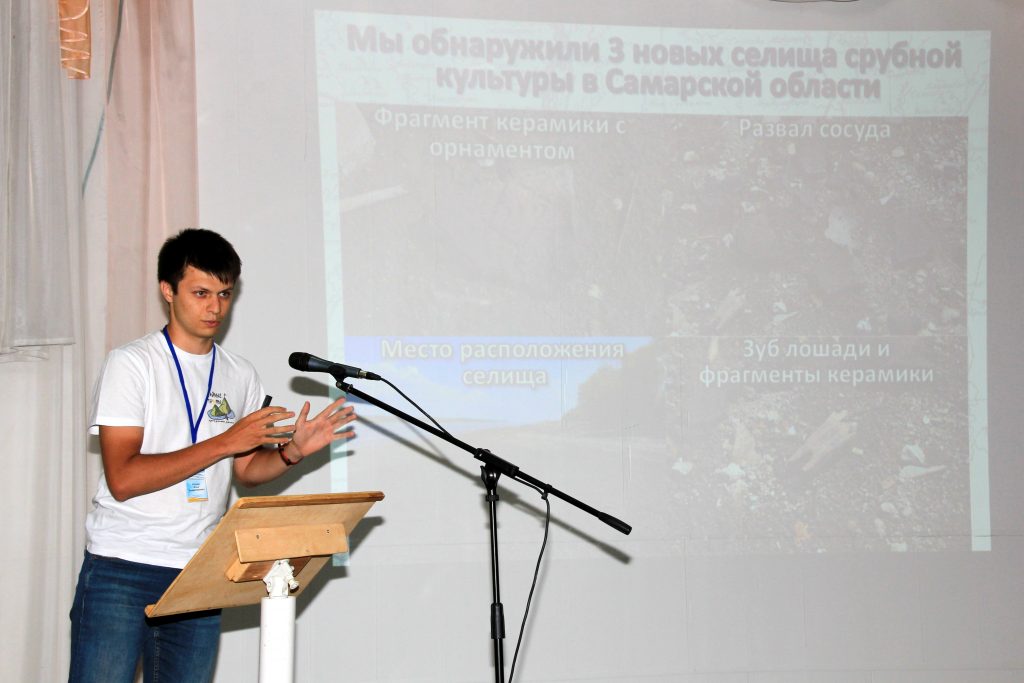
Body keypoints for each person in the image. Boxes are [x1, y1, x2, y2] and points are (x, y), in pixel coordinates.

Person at [68, 228, 355, 682]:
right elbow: (123, 479)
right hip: (123, 564)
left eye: (224, 294)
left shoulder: (240, 374)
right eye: (201, 293)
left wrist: (293, 452)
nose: (215, 308)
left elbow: (247, 470)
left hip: (197, 571)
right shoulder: (132, 364)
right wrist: (225, 441)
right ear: (168, 291)